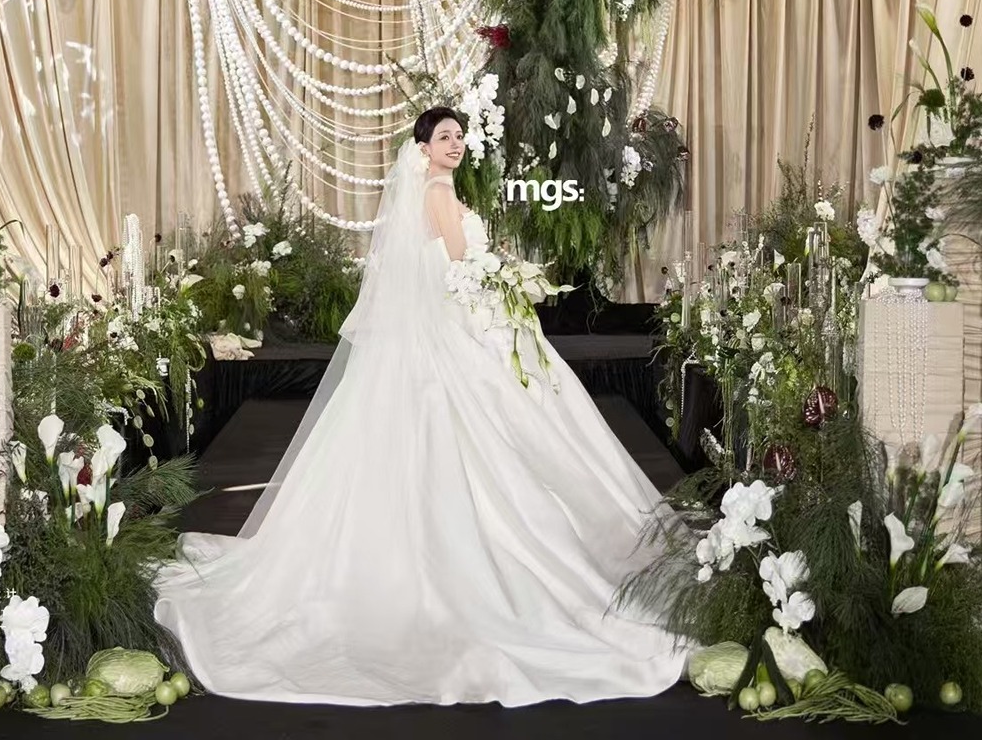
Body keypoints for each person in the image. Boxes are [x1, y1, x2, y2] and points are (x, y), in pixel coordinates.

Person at [154, 107, 688, 707]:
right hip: (461, 325)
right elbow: (462, 271)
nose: (455, 144)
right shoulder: (436, 192)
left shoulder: (438, 190)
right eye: (444, 137)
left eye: (459, 136)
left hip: (457, 321)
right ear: (424, 148)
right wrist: (506, 288)